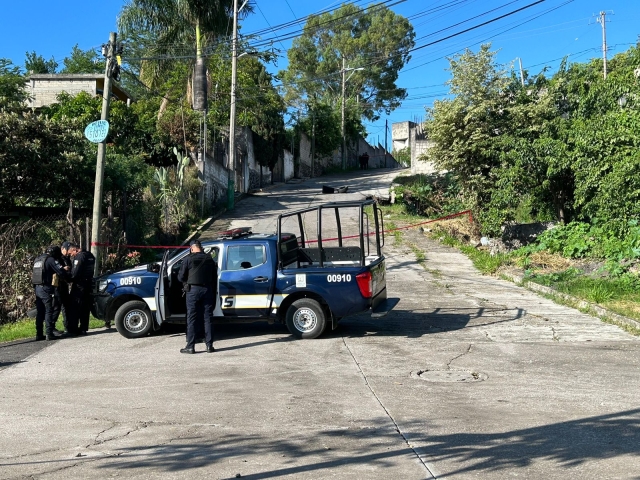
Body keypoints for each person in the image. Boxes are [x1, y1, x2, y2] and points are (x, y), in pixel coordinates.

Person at [178, 239, 217, 354]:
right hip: (207, 290)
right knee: (208, 318)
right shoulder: (209, 259)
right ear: (201, 247)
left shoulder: (188, 259)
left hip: (193, 291)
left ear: (192, 248)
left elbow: (180, 277)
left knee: (192, 318)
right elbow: (214, 276)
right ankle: (209, 346)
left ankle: (190, 346)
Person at [32, 245, 71, 341]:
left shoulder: (38, 259)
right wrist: (65, 271)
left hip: (37, 288)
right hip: (46, 288)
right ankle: (49, 333)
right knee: (48, 310)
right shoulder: (50, 260)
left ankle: (39, 334)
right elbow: (60, 271)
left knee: (40, 312)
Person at [69, 245, 95, 335]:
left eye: (71, 253)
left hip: (79, 285)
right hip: (88, 284)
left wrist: (68, 276)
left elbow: (74, 273)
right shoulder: (90, 255)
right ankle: (83, 328)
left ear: (74, 249)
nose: (71, 255)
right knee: (85, 307)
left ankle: (74, 329)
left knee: (75, 306)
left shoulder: (80, 256)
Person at [55, 241, 75, 334]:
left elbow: (70, 268)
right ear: (63, 248)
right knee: (57, 306)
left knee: (66, 306)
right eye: (67, 250)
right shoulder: (57, 258)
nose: (68, 253)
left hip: (65, 284)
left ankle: (68, 326)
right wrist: (63, 269)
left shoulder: (67, 258)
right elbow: (56, 269)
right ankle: (51, 327)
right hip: (57, 285)